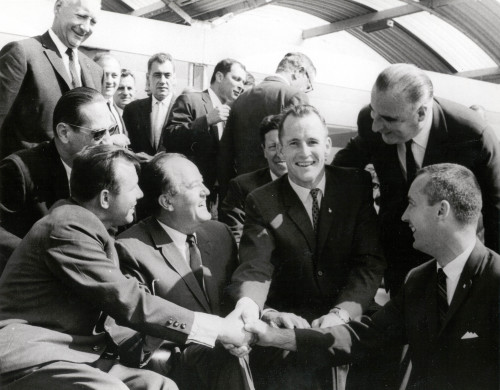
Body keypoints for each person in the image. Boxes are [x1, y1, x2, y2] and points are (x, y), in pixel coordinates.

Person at [0, 144, 251, 389]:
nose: (141, 195)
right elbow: (126, 299)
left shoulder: (90, 229)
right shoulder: (68, 227)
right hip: (35, 357)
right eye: (133, 188)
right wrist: (217, 329)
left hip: (80, 357)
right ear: (106, 198)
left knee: (159, 385)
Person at [247, 163, 500, 390]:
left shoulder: (495, 281)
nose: (404, 216)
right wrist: (275, 337)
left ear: (441, 211)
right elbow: (364, 336)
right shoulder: (418, 281)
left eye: (412, 203)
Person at [227, 105, 385, 390]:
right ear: (280, 150)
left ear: (327, 146)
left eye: (312, 142)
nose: (303, 153)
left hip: (351, 315)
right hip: (293, 329)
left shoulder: (355, 185)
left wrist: (342, 312)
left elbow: (369, 261)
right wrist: (252, 306)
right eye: (293, 144)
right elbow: (255, 265)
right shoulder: (261, 200)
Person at [333, 63, 500, 296]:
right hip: (399, 261)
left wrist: (490, 279)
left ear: (421, 113)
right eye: (373, 113)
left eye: (388, 119)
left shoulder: (472, 136)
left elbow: (496, 210)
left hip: (455, 263)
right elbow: (342, 170)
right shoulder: (371, 124)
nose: (376, 126)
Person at [114, 153, 254, 390]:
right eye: (193, 186)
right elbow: (131, 340)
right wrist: (217, 337)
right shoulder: (129, 249)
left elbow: (235, 296)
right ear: (167, 201)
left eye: (202, 181)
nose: (207, 191)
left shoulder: (220, 233)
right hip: (175, 364)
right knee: (224, 354)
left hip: (235, 351)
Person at [0, 87, 115, 239]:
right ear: (64, 133)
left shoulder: (102, 165)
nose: (108, 141)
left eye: (111, 130)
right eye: (98, 133)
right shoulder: (19, 171)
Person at [0, 0, 103, 159]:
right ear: (58, 7)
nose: (86, 27)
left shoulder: (95, 70)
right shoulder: (22, 53)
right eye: (81, 16)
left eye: (93, 21)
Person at [217, 52, 315, 200]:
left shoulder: (241, 99)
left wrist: (227, 195)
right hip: (280, 197)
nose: (306, 90)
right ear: (299, 72)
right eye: (308, 85)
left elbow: (225, 153)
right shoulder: (295, 96)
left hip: (243, 193)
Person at [164, 58, 247, 214]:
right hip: (192, 194)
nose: (241, 86)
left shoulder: (233, 112)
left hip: (221, 197)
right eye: (236, 79)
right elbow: (170, 136)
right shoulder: (190, 100)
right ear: (220, 77)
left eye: (243, 81)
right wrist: (206, 121)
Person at [220, 114, 286, 243]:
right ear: (264, 150)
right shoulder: (242, 186)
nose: (279, 154)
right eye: (273, 147)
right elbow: (235, 238)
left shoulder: (310, 184)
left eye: (284, 146)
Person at [123, 53, 177, 157]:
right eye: (157, 75)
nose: (162, 81)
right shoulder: (132, 109)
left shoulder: (184, 109)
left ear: (174, 78)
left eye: (167, 75)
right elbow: (126, 146)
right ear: (148, 78)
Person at [94, 53, 128, 139]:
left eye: (114, 75)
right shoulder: (89, 107)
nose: (109, 80)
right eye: (104, 74)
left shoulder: (114, 107)